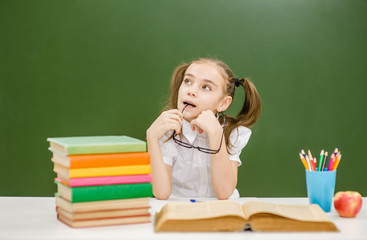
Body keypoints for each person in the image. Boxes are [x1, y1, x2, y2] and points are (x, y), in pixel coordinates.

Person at [146, 57, 261, 200]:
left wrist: (216, 133)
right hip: (180, 211)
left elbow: (224, 192)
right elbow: (161, 193)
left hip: (220, 213)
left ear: (223, 104)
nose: (191, 91)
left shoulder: (232, 133)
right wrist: (152, 137)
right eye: (188, 81)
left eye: (206, 87)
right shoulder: (168, 131)